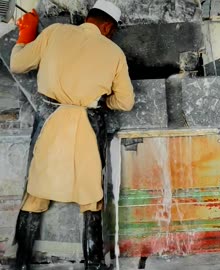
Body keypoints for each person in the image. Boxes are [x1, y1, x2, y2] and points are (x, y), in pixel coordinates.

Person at [10, 1, 135, 269]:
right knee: (91, 193)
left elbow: (18, 64)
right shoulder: (114, 52)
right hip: (89, 121)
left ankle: (21, 262)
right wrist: (101, 103)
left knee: (36, 189)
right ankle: (94, 263)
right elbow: (125, 102)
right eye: (112, 31)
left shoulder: (55, 32)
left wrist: (24, 35)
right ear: (107, 27)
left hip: (50, 117)